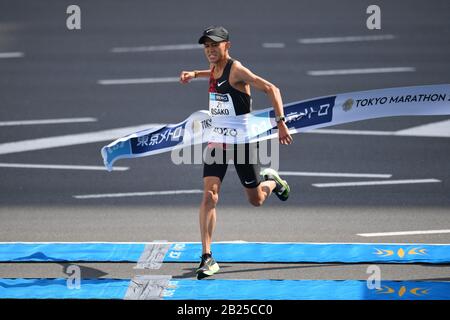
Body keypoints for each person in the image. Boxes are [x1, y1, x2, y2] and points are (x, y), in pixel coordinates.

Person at [179, 26, 293, 279]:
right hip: (217, 141)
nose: (210, 50)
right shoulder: (215, 68)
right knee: (210, 195)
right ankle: (207, 257)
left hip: (242, 143)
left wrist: (281, 121)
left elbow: (272, 89)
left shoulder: (236, 69)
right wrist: (194, 73)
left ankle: (272, 182)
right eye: (206, 46)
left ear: (227, 46)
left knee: (256, 200)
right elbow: (213, 73)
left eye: (215, 45)